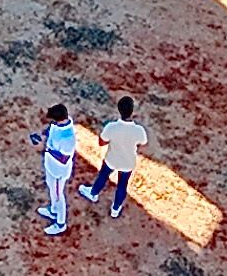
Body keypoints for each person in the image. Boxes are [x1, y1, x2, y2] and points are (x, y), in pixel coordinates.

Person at [89, 93, 147, 219]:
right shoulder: (139, 130)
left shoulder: (111, 127)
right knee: (122, 185)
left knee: (103, 176)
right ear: (132, 112)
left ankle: (93, 193)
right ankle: (115, 208)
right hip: (128, 162)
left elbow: (101, 142)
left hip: (111, 159)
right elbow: (143, 143)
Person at [36, 102, 84, 235]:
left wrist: (45, 149)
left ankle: (60, 223)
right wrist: (43, 136)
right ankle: (53, 210)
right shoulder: (58, 125)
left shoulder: (68, 138)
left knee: (58, 196)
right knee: (52, 190)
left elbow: (64, 158)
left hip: (59, 171)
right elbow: (51, 130)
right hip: (51, 166)